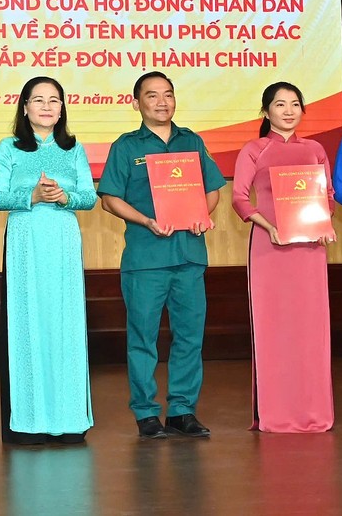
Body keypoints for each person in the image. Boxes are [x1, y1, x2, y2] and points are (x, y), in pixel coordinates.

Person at [97, 71, 225, 439]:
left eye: (168, 94)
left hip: (189, 256)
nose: (162, 102)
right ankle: (146, 413)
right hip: (146, 259)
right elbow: (109, 199)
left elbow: (213, 188)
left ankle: (183, 410)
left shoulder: (192, 141)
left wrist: (203, 214)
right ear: (136, 103)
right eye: (152, 96)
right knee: (143, 338)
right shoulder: (126, 146)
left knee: (189, 337)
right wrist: (146, 220)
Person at [0, 77, 96, 445]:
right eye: (39, 100)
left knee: (64, 324)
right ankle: (31, 419)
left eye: (54, 100)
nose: (47, 106)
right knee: (28, 322)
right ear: (25, 107)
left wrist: (65, 196)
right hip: (25, 241)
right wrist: (31, 193)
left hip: (63, 239)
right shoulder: (10, 147)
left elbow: (90, 197)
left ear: (62, 108)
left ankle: (68, 420)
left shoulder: (74, 148)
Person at [232, 82, 335, 432]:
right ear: (266, 111)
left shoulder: (315, 149)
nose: (288, 111)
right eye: (280, 104)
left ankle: (314, 411)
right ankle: (275, 413)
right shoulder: (253, 149)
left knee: (310, 330)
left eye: (295, 104)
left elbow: (329, 197)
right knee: (275, 330)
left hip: (309, 251)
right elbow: (240, 199)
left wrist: (323, 221)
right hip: (269, 250)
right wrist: (269, 225)